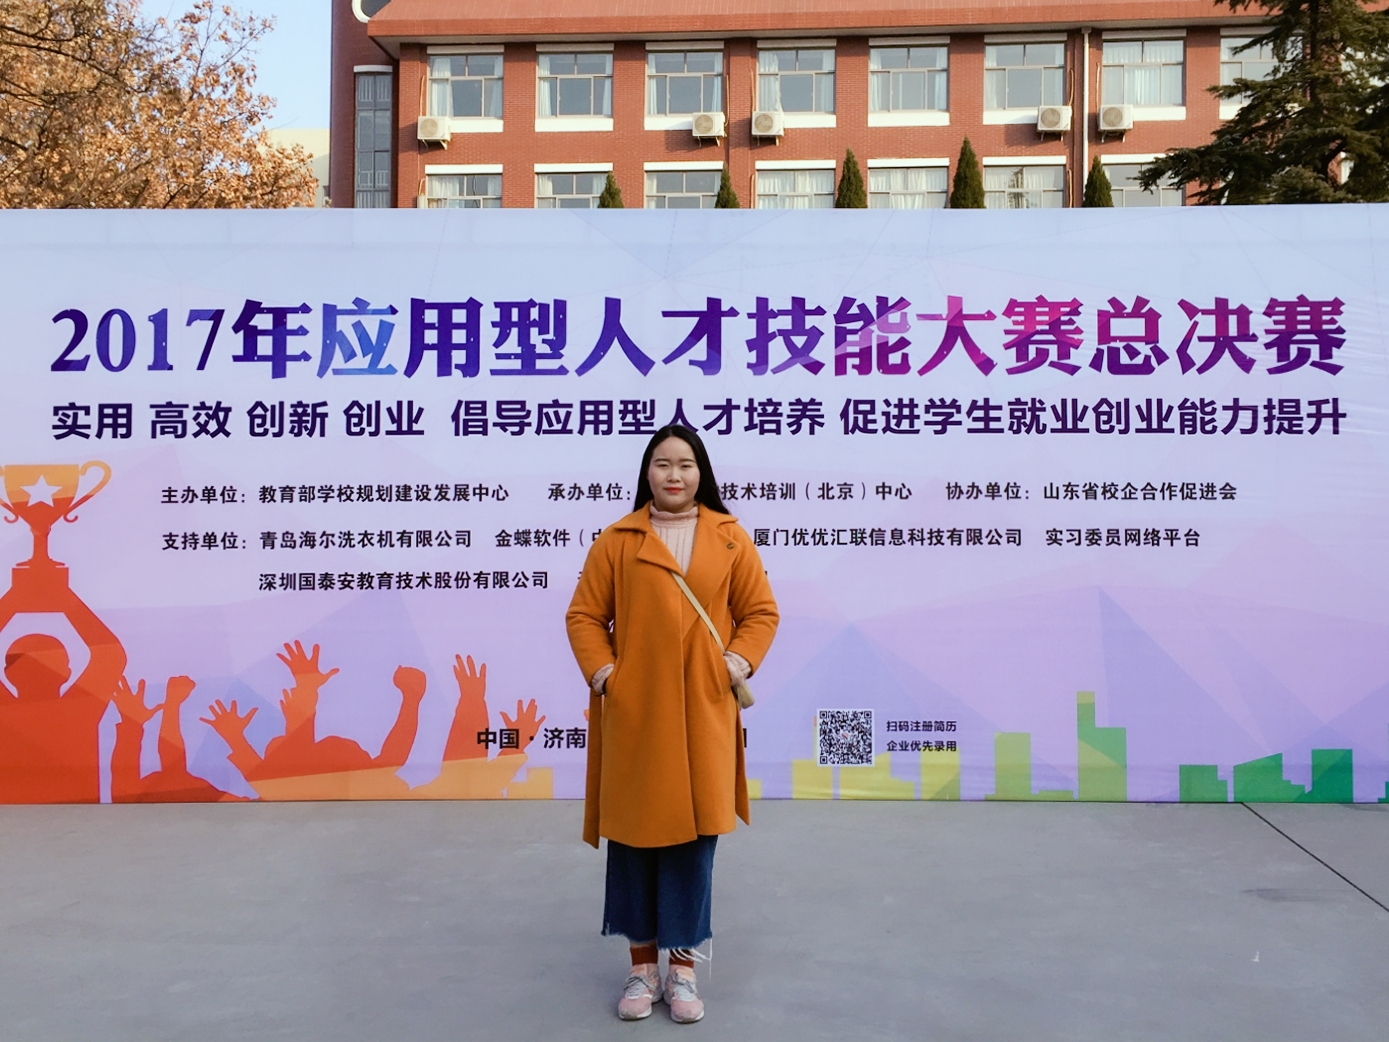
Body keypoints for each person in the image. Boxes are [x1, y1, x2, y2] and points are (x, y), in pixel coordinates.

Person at [566, 425, 778, 1024]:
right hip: (638, 712)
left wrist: (736, 661)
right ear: (647, 472)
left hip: (703, 709)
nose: (674, 475)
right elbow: (585, 616)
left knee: (693, 842)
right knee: (634, 839)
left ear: (701, 472)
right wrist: (608, 675)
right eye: (662, 464)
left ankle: (682, 969)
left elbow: (760, 612)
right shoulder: (617, 540)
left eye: (685, 464)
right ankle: (641, 967)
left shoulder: (730, 538)